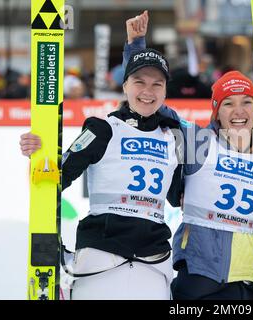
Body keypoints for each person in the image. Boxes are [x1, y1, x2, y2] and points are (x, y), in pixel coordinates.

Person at [124, 11, 253, 300]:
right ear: (217, 113)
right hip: (201, 280)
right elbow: (152, 104)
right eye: (228, 104)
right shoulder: (199, 142)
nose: (239, 112)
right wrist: (136, 49)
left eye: (247, 103)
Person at [20, 47, 183, 300]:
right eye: (139, 82)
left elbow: (180, 196)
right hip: (100, 255)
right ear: (125, 85)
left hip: (154, 260)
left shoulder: (174, 137)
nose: (148, 91)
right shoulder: (102, 129)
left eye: (157, 84)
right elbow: (55, 178)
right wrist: (38, 154)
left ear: (165, 91)